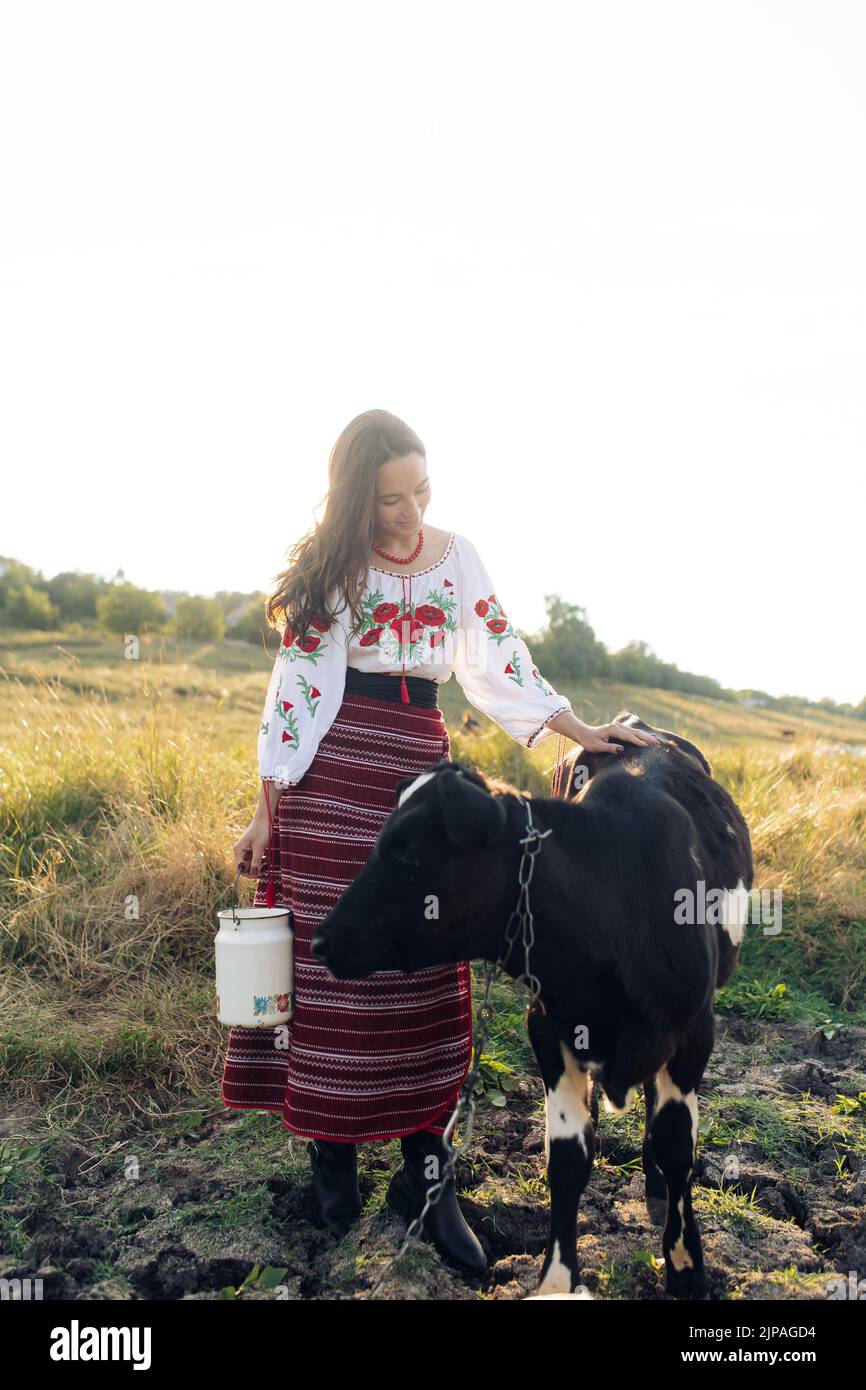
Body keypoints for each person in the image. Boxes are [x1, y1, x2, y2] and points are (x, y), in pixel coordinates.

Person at [220, 408, 661, 1274]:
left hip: (420, 778)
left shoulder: (455, 559)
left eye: (422, 490)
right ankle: (333, 1163)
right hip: (331, 779)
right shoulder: (330, 570)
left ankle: (426, 1175)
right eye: (391, 499)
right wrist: (268, 808)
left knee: (429, 965)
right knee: (331, 970)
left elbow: (500, 658)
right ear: (356, 497)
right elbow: (296, 692)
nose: (411, 511)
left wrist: (578, 731)